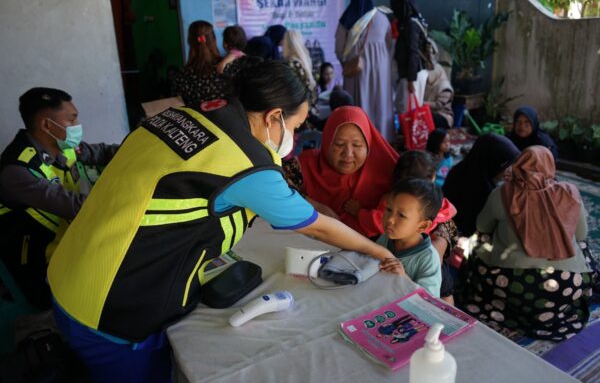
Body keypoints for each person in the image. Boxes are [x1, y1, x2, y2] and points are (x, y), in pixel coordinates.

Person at [47, 62, 398, 382]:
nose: (295, 135)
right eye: (296, 125)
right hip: (109, 308)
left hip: (69, 270)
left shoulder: (182, 116)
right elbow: (318, 225)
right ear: (274, 116)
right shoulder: (246, 162)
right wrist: (377, 252)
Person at [0, 87, 118, 309]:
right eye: (72, 120)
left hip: (64, 244)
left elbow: (102, 152)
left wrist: (142, 151)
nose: (77, 127)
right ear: (47, 125)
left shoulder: (61, 147)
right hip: (35, 267)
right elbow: (76, 206)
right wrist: (128, 201)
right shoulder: (18, 170)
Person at [459, 146, 593, 341]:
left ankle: (492, 297)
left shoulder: (502, 193)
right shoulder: (570, 193)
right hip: (566, 286)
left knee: (478, 240)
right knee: (580, 246)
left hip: (511, 285)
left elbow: (482, 226)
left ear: (519, 164)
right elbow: (582, 235)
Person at [299, 106, 399, 238]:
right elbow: (273, 193)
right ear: (327, 141)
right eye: (339, 144)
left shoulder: (388, 173)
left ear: (369, 145)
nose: (348, 154)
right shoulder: (305, 165)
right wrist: (314, 205)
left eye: (357, 145)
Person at [392, 151, 458, 303]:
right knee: (446, 295)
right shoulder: (438, 202)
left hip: (425, 257)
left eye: (401, 215)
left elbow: (426, 299)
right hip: (422, 257)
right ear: (433, 176)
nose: (391, 219)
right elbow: (452, 210)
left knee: (441, 295)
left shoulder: (395, 200)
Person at [335, 0, 394, 142]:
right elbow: (389, 45)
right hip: (381, 69)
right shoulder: (382, 18)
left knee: (360, 101)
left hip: (357, 69)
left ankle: (360, 137)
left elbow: (339, 49)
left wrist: (346, 60)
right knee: (380, 101)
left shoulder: (346, 19)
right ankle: (382, 138)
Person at [443, 134, 520, 237]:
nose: (509, 170)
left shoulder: (466, 169)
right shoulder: (477, 187)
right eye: (505, 166)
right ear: (492, 162)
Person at [377, 178, 444, 297]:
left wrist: (404, 278)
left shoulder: (428, 259)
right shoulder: (386, 238)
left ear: (423, 225)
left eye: (401, 215)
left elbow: (428, 301)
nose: (390, 219)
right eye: (389, 209)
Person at [172, 20, 228, 105]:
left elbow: (177, 103)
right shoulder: (226, 66)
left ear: (189, 42)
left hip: (195, 118)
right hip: (227, 117)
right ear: (214, 39)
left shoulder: (182, 75)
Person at [390, 0, 429, 117]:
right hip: (412, 74)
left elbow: (413, 52)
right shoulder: (411, 23)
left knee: (410, 115)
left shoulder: (411, 26)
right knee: (408, 112)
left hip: (413, 75)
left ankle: (411, 137)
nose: (395, 14)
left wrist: (411, 80)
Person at [424, 62, 454, 128]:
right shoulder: (429, 85)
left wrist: (424, 104)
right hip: (428, 112)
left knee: (431, 119)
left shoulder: (445, 87)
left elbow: (439, 105)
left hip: (443, 115)